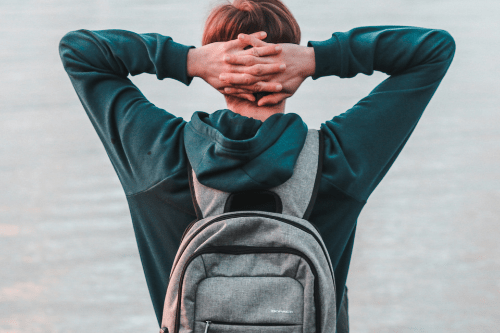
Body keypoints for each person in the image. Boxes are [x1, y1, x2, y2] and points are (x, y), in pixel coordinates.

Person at [59, 0, 455, 331]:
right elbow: (432, 49)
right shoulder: (338, 158)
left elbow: (80, 50)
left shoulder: (159, 155)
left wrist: (188, 61)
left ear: (218, 68)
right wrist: (320, 59)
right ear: (290, 60)